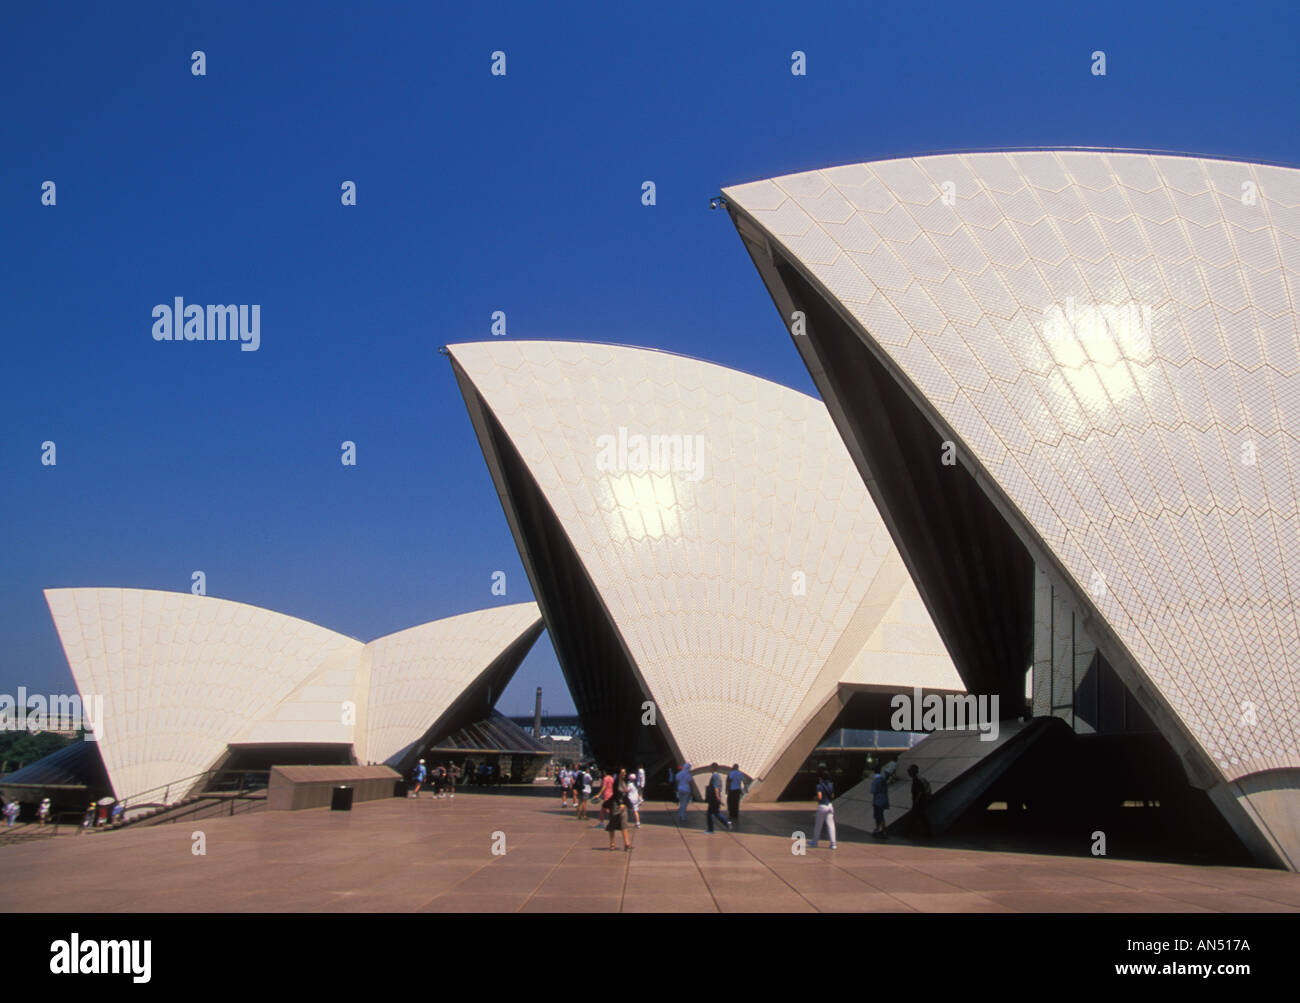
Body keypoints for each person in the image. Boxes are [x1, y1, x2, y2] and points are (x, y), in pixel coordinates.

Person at [809, 767, 837, 849]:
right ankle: (833, 844)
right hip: (830, 805)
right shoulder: (831, 785)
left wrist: (815, 798)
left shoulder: (819, 786)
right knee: (831, 825)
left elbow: (820, 797)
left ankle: (815, 842)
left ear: (820, 777)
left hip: (822, 806)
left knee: (818, 825)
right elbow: (832, 796)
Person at [607, 768, 633, 851]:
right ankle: (612, 844)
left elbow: (625, 795)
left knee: (624, 824)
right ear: (619, 774)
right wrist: (620, 803)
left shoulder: (624, 782)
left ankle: (627, 843)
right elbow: (615, 794)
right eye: (623, 772)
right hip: (616, 806)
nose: (625, 774)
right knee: (612, 824)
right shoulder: (616, 783)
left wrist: (625, 804)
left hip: (623, 806)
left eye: (625, 772)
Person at [704, 764, 731, 833]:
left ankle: (711, 830)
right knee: (716, 812)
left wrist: (717, 797)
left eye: (710, 767)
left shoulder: (715, 776)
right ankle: (727, 823)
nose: (709, 768)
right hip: (715, 797)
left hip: (714, 798)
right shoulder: (716, 776)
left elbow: (716, 788)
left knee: (710, 813)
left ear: (713, 768)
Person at [907, 764, 931, 837]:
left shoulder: (917, 779)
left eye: (910, 772)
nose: (909, 773)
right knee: (921, 816)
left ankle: (909, 832)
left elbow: (920, 791)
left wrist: (916, 801)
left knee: (916, 816)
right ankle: (927, 832)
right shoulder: (917, 778)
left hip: (919, 802)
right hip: (920, 801)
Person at [870, 765, 890, 839]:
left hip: (877, 801)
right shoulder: (883, 780)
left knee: (878, 816)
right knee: (881, 815)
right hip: (884, 800)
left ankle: (882, 830)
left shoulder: (875, 780)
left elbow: (873, 791)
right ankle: (879, 829)